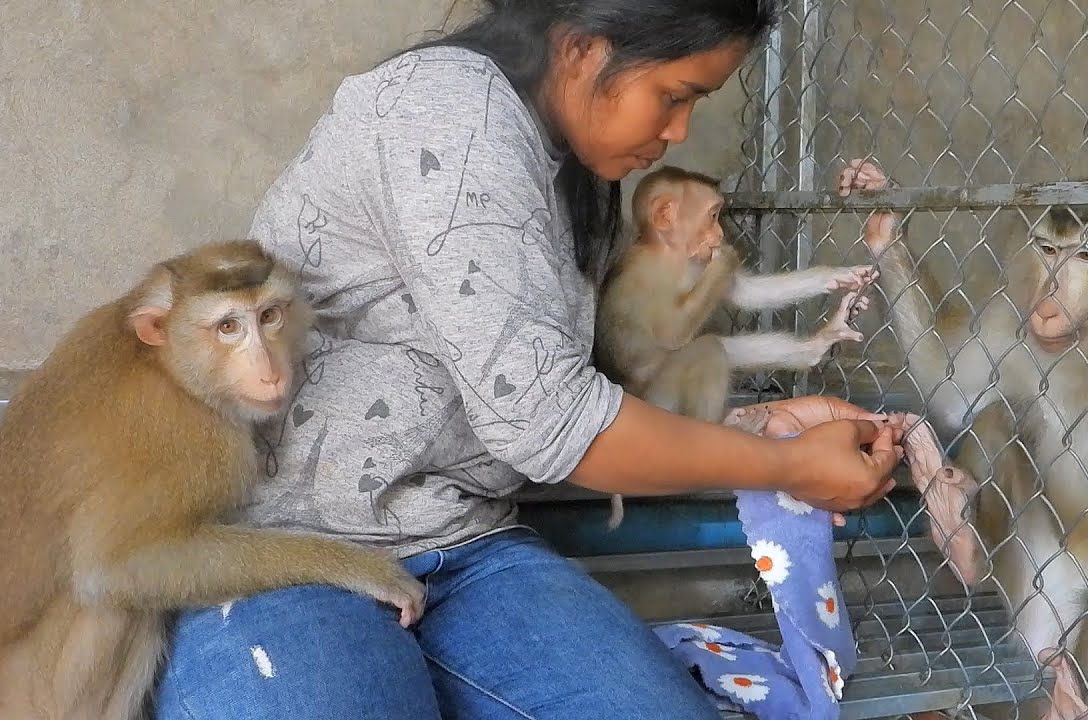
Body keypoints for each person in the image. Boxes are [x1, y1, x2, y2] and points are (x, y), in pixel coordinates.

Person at [152, 2, 905, 718]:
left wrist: (763, 423)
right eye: (675, 95)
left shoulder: (578, 174)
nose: (679, 131)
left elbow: (555, 397)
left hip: (464, 547)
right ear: (582, 47)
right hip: (290, 553)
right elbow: (553, 424)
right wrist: (785, 467)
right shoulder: (450, 109)